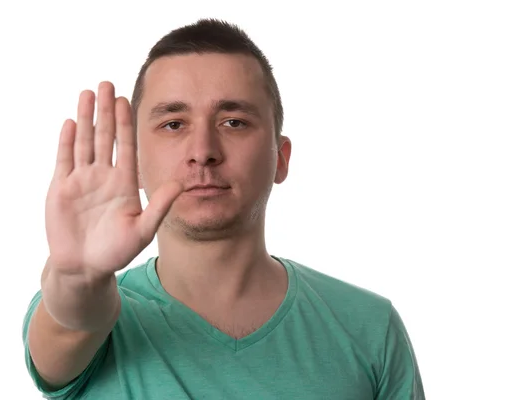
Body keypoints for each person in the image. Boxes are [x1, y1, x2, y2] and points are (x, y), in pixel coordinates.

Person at [22, 18, 425, 399]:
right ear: (136, 163)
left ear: (280, 158)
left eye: (233, 122)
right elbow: (72, 324)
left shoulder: (370, 328)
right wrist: (79, 278)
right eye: (174, 124)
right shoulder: (97, 318)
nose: (203, 153)